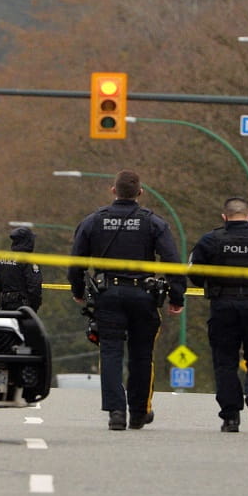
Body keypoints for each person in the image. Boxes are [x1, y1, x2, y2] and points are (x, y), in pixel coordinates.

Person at [69, 169, 186, 431]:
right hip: (143, 295)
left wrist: (78, 291)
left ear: (113, 191)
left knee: (110, 351)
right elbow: (172, 261)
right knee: (142, 355)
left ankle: (116, 413)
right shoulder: (153, 222)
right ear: (140, 193)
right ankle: (139, 412)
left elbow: (76, 262)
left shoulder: (93, 221)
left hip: (108, 295)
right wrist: (177, 296)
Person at [186, 197, 248, 431]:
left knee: (225, 360)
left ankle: (231, 416)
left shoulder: (210, 240)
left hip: (223, 305)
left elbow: (193, 272)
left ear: (224, 217)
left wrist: (212, 282)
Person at [0, 225, 44, 312]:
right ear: (28, 241)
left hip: (5, 307)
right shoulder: (29, 261)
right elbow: (35, 287)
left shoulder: (3, 259)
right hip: (24, 308)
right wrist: (33, 307)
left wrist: (4, 300)